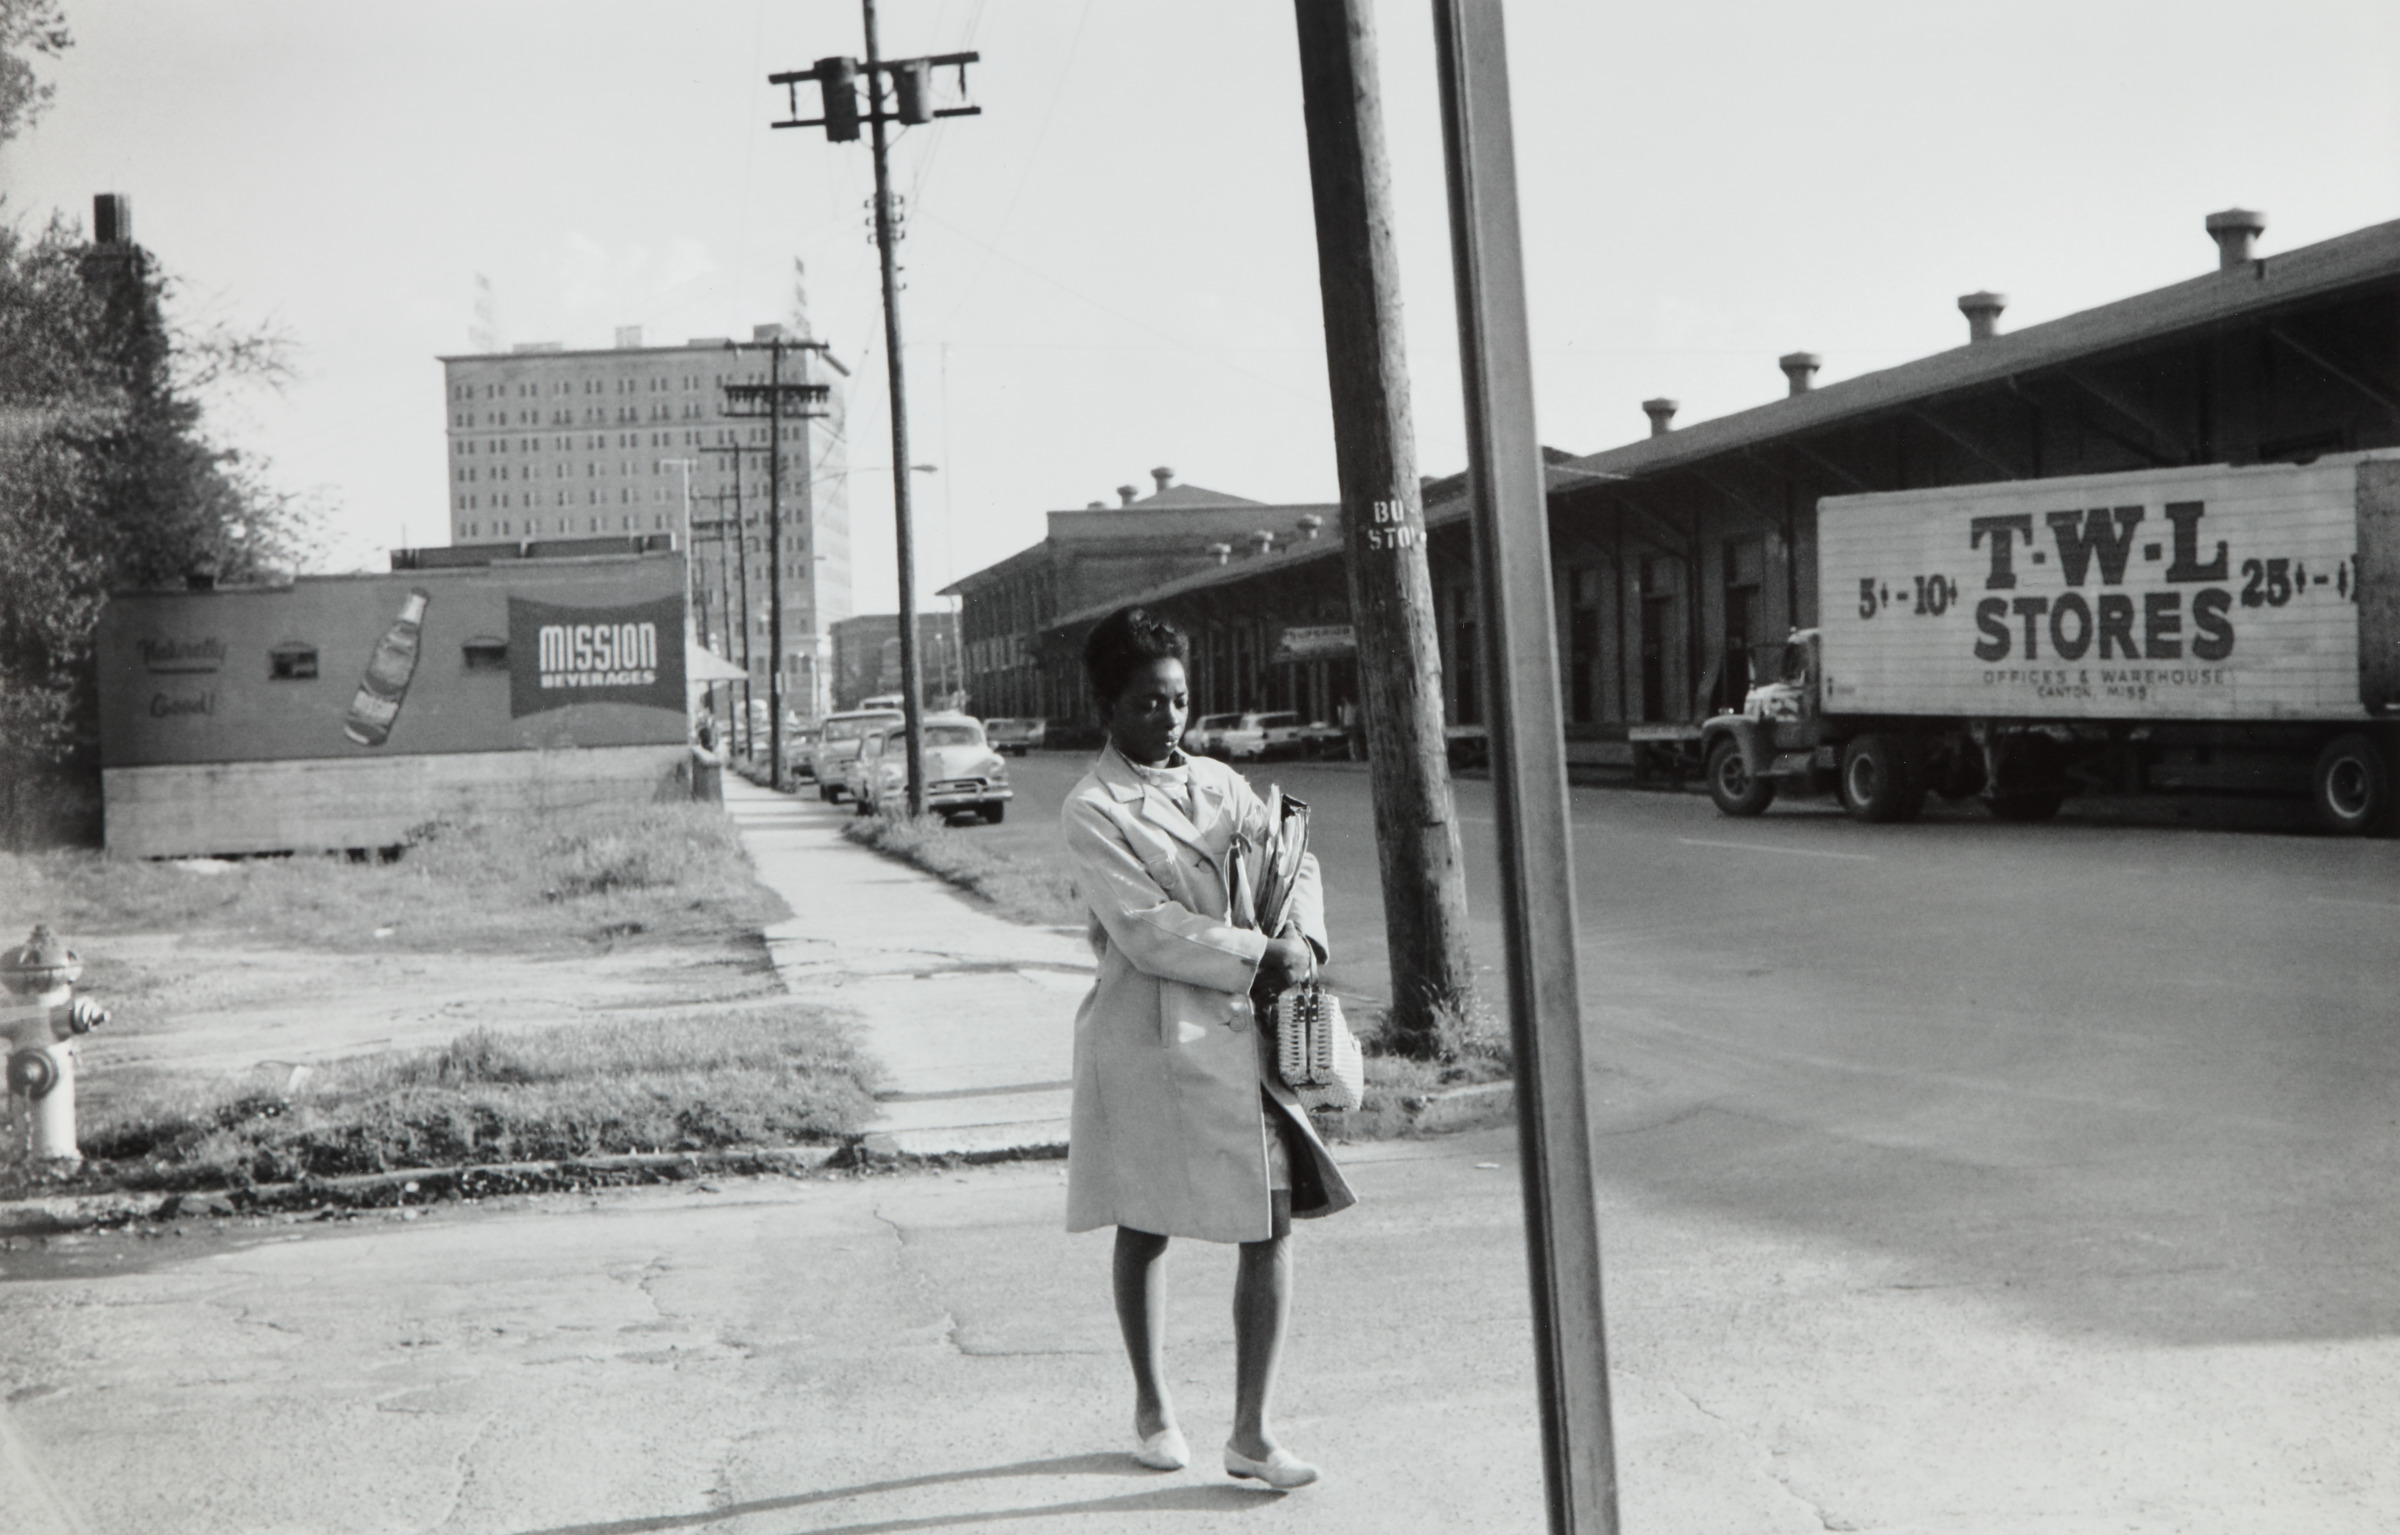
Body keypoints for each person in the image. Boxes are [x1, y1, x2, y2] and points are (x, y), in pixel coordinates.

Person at [1061, 606, 1354, 1492]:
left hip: (1244, 1040)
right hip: (1149, 1037)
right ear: (1108, 706)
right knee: (1145, 1215)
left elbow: (1294, 865)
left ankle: (1253, 1433)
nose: (1169, 719)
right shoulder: (1093, 809)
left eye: (1180, 700)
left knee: (1268, 1220)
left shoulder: (1225, 784)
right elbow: (1150, 932)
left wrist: (1301, 937)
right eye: (1149, 703)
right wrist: (1260, 953)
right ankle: (1153, 1404)